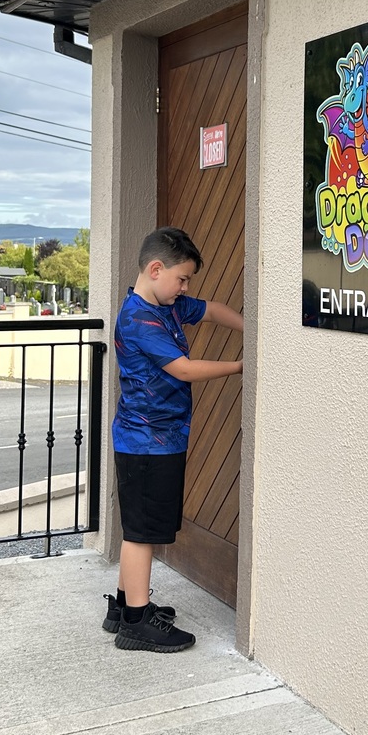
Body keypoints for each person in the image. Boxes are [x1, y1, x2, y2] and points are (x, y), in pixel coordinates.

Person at [103, 226, 243, 652]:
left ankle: (124, 606)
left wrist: (252, 330)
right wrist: (242, 365)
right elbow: (182, 369)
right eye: (181, 279)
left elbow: (212, 310)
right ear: (155, 269)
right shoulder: (139, 319)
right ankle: (136, 623)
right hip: (147, 442)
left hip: (158, 438)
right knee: (142, 534)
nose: (185, 287)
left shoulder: (168, 305)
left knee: (140, 527)